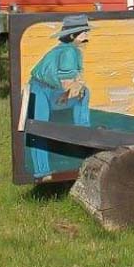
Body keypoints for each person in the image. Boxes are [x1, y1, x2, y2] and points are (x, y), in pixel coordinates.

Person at [26, 15, 93, 178]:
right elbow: (68, 84)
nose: (86, 36)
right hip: (39, 90)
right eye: (83, 33)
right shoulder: (69, 51)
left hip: (51, 89)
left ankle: (83, 130)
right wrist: (76, 90)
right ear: (72, 36)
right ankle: (42, 171)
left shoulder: (72, 51)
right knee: (39, 129)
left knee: (84, 92)